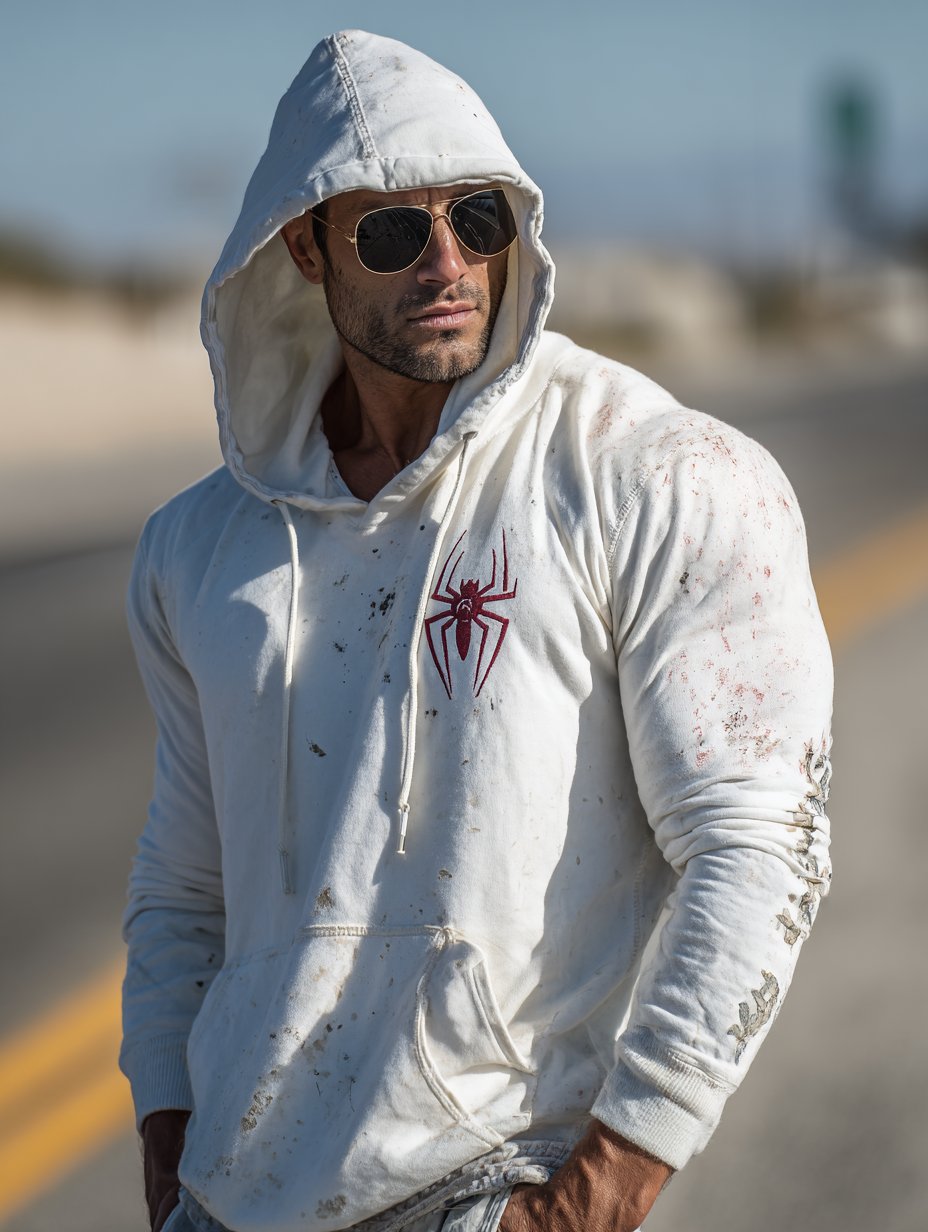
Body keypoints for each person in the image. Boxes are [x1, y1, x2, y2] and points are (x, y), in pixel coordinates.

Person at [121, 29, 833, 1232]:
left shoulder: (654, 472)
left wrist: (594, 1194)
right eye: (394, 233)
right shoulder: (200, 547)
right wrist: (166, 1130)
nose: (448, 262)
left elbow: (762, 841)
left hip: (490, 1176)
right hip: (227, 1199)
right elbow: (186, 882)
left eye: (479, 218)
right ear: (305, 247)